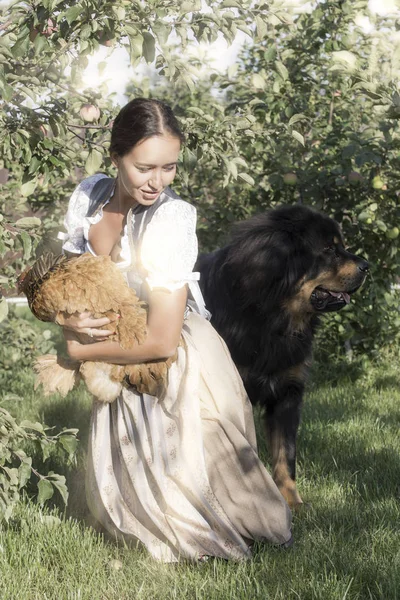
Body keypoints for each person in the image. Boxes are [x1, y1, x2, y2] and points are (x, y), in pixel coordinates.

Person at [58, 97, 292, 562]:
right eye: (144, 167)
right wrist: (69, 319)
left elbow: (162, 338)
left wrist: (77, 352)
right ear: (115, 157)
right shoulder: (90, 195)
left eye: (169, 168)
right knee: (130, 463)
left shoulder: (171, 218)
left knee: (195, 468)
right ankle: (135, 508)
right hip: (115, 335)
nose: (157, 182)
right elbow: (70, 283)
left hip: (169, 351)